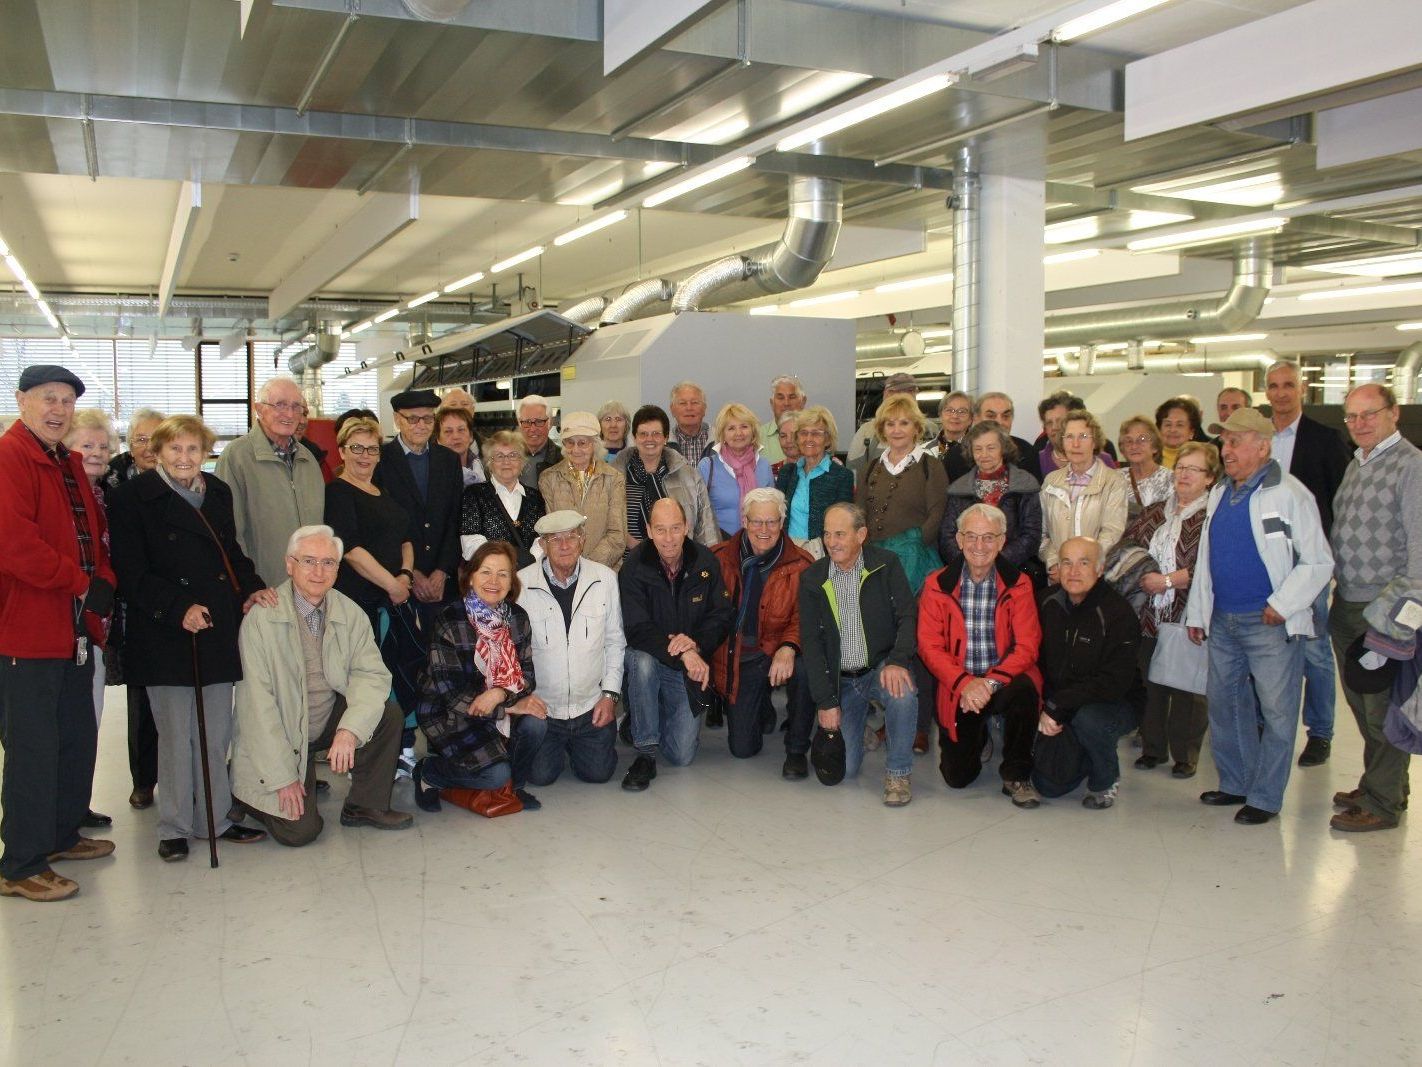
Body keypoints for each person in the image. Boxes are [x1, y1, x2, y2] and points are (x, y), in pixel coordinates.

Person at [108, 415, 274, 861]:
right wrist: (178, 607)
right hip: (164, 630)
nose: (184, 457)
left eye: (193, 449)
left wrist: (252, 585)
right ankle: (175, 825)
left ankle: (215, 820)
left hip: (215, 625)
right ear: (158, 452)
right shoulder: (132, 499)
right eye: (175, 449)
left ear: (205, 453)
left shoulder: (216, 492)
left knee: (216, 733)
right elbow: (131, 572)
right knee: (176, 736)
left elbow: (230, 551)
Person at [0, 366, 118, 903]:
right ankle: (21, 863)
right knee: (33, 749)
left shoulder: (66, 462)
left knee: (75, 734)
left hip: (73, 628)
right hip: (27, 631)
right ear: (21, 400)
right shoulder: (10, 458)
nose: (58, 409)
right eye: (48, 398)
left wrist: (102, 581)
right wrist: (82, 583)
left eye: (67, 401)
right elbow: (15, 545)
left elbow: (93, 533)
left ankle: (61, 834)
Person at [1184, 408, 1334, 825]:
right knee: (1225, 705)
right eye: (1224, 441)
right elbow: (1206, 561)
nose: (1225, 450)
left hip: (1268, 623)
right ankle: (1236, 782)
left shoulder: (1290, 494)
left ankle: (1265, 798)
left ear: (1263, 446)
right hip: (1223, 619)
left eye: (1235, 441)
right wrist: (1198, 612)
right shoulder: (1220, 493)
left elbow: (1318, 562)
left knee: (1277, 712)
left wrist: (1282, 605)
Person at [232, 525, 413, 844]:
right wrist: (282, 779)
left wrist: (350, 730)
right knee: (300, 831)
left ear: (338, 569)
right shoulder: (261, 620)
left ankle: (364, 805)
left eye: (328, 563)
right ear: (290, 565)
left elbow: (371, 676)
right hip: (284, 731)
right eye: (308, 561)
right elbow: (257, 709)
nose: (319, 571)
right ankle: (242, 790)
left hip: (325, 719)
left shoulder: (350, 613)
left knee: (386, 714)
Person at [1328, 384, 1422, 831]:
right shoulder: (1358, 463)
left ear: (1394, 413)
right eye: (1351, 416)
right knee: (1363, 705)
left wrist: (1398, 618)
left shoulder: (1412, 466)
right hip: (1348, 602)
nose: (1359, 423)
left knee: (1383, 709)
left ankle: (1383, 804)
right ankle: (1380, 785)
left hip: (1384, 609)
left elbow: (1420, 555)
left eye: (1369, 414)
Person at [918, 504, 1043, 807]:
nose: (979, 545)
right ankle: (981, 735)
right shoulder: (936, 584)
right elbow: (929, 646)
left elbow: (1027, 645)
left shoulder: (1019, 584)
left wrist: (988, 683)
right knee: (957, 777)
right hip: (959, 686)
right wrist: (964, 683)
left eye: (989, 537)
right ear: (959, 540)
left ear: (1002, 542)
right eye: (971, 536)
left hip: (1003, 680)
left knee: (1025, 691)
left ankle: (1017, 773)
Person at [412, 540, 549, 813]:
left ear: (512, 581)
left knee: (537, 722)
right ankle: (430, 772)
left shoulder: (517, 618)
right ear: (470, 576)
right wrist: (507, 707)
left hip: (496, 704)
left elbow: (527, 675)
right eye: (486, 572)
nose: (494, 581)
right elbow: (452, 696)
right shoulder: (450, 619)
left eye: (503, 574)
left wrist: (501, 695)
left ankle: (513, 787)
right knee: (494, 774)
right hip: (451, 714)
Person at [799, 503, 918, 806]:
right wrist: (826, 702)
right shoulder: (812, 578)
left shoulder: (886, 564)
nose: (831, 542)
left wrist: (898, 661)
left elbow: (907, 616)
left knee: (903, 693)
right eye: (827, 534)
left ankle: (898, 773)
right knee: (847, 769)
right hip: (842, 681)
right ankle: (860, 729)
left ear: (861, 535)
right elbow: (811, 645)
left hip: (879, 667)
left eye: (840, 534)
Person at [1264, 360, 1351, 768]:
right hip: (1265, 560)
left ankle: (1320, 732)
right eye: (1274, 386)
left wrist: (1327, 559)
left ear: (1302, 389)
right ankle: (1265, 722)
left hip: (1306, 562)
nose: (1281, 393)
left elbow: (1340, 503)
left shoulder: (1325, 439)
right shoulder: (1258, 436)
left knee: (1314, 651)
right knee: (1266, 646)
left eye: (1288, 385)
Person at [619, 498, 734, 791]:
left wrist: (695, 644)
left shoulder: (706, 561)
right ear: (648, 531)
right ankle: (645, 752)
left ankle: (644, 713)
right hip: (654, 656)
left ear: (687, 527)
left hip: (689, 663)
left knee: (681, 756)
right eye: (660, 529)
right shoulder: (633, 567)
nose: (668, 538)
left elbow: (721, 615)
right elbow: (636, 629)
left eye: (675, 528)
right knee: (641, 661)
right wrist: (684, 653)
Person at [1121, 441, 1220, 778]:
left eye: (1194, 469)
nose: (1184, 474)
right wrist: (1140, 574)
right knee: (1151, 680)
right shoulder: (1155, 511)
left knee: (1187, 686)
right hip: (1148, 610)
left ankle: (1185, 754)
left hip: (1190, 610)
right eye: (1180, 467)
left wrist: (1172, 579)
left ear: (1210, 478)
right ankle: (1153, 748)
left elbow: (1217, 564)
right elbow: (1129, 547)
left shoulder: (1214, 516)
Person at [707, 488, 816, 773]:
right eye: (757, 521)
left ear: (782, 523)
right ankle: (761, 703)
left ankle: (796, 749)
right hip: (739, 656)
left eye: (772, 522)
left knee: (805, 668)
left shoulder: (803, 565)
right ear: (744, 521)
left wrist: (789, 647)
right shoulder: (717, 558)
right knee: (742, 749)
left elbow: (806, 616)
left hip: (777, 649)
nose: (764, 530)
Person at [323, 416, 422, 722]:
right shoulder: (337, 492)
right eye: (356, 448)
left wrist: (405, 576)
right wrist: (392, 585)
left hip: (395, 599)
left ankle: (400, 739)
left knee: (400, 672)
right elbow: (351, 551)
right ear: (342, 451)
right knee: (366, 680)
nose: (364, 456)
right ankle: (368, 741)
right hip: (361, 604)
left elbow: (406, 539)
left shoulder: (383, 491)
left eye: (371, 449)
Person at [1033, 537, 1141, 809]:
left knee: (1089, 721)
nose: (1073, 571)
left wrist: (1058, 705)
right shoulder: (1045, 602)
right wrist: (1044, 706)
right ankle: (1084, 755)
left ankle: (1105, 780)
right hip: (1062, 704)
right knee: (1049, 786)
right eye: (1066, 563)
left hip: (1111, 704)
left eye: (1084, 563)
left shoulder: (1118, 612)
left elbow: (1114, 682)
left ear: (1100, 568)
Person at [519, 512, 625, 787]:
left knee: (598, 774)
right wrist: (523, 699)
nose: (565, 545)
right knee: (540, 777)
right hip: (544, 708)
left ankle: (580, 746)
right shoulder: (521, 585)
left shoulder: (605, 579)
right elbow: (513, 652)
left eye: (572, 537)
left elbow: (615, 642)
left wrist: (610, 695)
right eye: (555, 539)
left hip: (590, 706)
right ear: (543, 545)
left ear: (582, 540)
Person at [101, 408, 164, 812]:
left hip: (173, 602)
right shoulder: (110, 485)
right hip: (130, 605)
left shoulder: (182, 481)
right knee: (141, 698)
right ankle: (143, 780)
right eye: (141, 439)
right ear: (129, 444)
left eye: (156, 439)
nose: (149, 447)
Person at [215, 375, 326, 587]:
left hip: (309, 584)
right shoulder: (236, 457)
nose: (289, 414)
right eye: (280, 405)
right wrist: (248, 585)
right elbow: (229, 532)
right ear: (259, 409)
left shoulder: (308, 460)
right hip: (262, 587)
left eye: (296, 406)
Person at [65, 409, 119, 828]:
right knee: (64, 726)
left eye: (103, 446)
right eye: (86, 446)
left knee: (89, 719)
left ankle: (75, 806)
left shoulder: (103, 495)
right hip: (65, 622)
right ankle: (60, 814)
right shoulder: (64, 496)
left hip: (96, 622)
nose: (97, 453)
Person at [940, 421, 1044, 582]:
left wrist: (995, 563)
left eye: (991, 448)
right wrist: (971, 564)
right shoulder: (959, 489)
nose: (984, 455)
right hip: (966, 572)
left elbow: (1031, 535)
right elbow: (947, 536)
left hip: (1013, 571)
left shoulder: (1024, 485)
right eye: (978, 449)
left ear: (1003, 448)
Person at [612, 404, 719, 551]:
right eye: (643, 434)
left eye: (656, 434)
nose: (649, 439)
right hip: (625, 561)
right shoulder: (614, 475)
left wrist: (710, 558)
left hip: (679, 559)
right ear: (634, 437)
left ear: (666, 438)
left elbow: (706, 526)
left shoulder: (689, 475)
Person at [1039, 410, 1128, 583]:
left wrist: (1083, 566)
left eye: (1083, 436)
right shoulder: (1051, 481)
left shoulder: (1114, 481)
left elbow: (1112, 531)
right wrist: (1054, 563)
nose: (1075, 444)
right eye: (1069, 437)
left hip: (1098, 576)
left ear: (1095, 442)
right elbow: (1041, 533)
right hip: (1059, 577)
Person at [538, 410, 627, 570]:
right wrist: (572, 567)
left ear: (595, 444)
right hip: (564, 569)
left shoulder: (614, 478)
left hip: (604, 569)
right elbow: (552, 531)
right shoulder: (549, 478)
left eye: (583, 443)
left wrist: (587, 568)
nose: (576, 449)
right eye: (570, 442)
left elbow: (617, 535)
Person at [460, 430, 546, 567]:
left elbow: (542, 538)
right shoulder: (474, 494)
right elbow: (470, 542)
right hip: (491, 575)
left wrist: (529, 562)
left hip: (530, 573)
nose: (506, 461)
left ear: (522, 462)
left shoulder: (535, 497)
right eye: (499, 456)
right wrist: (506, 564)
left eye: (513, 455)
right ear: (489, 463)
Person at [776, 407, 855, 543]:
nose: (808, 439)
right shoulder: (787, 472)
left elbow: (843, 523)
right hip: (789, 549)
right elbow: (777, 515)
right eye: (803, 433)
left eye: (816, 434)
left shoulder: (842, 476)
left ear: (828, 439)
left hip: (824, 551)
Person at [699, 402, 774, 539]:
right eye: (731, 428)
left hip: (759, 542)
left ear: (753, 431)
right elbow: (699, 513)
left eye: (744, 426)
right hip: (720, 544)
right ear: (722, 434)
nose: (738, 433)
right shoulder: (707, 466)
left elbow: (772, 510)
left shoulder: (764, 466)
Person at [846, 372, 938, 480]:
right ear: (887, 394)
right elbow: (854, 470)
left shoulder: (931, 429)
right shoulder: (867, 431)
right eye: (899, 391)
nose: (905, 396)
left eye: (910, 391)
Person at [1041, 393, 1117, 476]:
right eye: (1049, 422)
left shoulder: (1103, 460)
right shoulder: (1037, 460)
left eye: (1060, 421)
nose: (1054, 427)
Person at [973, 391, 1039, 479]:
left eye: (1006, 416)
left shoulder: (1027, 453)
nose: (1000, 422)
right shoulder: (960, 455)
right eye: (991, 416)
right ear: (976, 419)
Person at [1118, 415, 1173, 519]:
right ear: (1122, 449)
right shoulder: (1113, 478)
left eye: (1142, 439)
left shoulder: (1171, 479)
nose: (1134, 446)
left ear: (1155, 447)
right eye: (1128, 441)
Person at [517, 394, 562, 489]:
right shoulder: (505, 459)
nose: (533, 429)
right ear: (519, 424)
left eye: (539, 422)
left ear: (550, 423)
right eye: (527, 422)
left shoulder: (564, 460)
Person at [759, 375, 806, 464]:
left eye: (792, 397)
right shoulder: (757, 437)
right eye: (780, 398)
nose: (786, 403)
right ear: (772, 403)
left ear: (803, 401)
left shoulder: (814, 435)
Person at [436, 404, 485, 487]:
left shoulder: (488, 469)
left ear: (471, 436)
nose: (456, 436)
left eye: (461, 430)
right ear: (438, 440)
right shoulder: (431, 473)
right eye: (448, 431)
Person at [933, 390, 976, 481]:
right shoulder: (921, 451)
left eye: (962, 411)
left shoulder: (979, 451)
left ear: (971, 419)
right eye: (949, 410)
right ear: (940, 415)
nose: (955, 416)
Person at [667, 381, 712, 461]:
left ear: (704, 408)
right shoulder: (663, 445)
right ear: (672, 410)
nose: (689, 408)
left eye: (694, 402)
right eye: (682, 403)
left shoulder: (720, 441)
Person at [1155, 397, 1203, 469]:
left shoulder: (1202, 460)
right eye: (1168, 424)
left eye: (1179, 425)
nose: (1173, 430)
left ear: (1191, 432)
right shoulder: (1147, 458)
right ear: (1159, 429)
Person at [770, 410, 800, 480]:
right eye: (783, 436)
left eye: (794, 435)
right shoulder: (771, 472)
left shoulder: (817, 469)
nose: (788, 440)